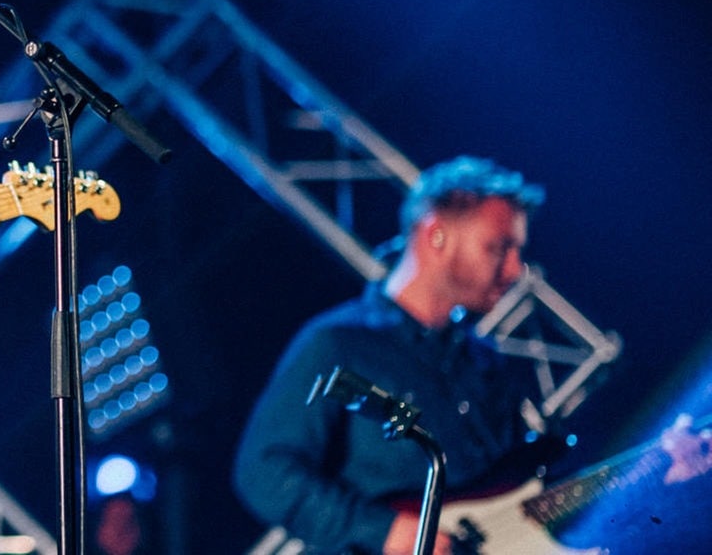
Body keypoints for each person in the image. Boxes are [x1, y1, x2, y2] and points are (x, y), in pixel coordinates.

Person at [232, 156, 711, 555]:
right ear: (436, 236)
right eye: (498, 248)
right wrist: (386, 531)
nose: (515, 268)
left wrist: (655, 467)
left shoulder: (484, 358)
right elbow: (263, 472)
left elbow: (527, 495)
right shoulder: (337, 344)